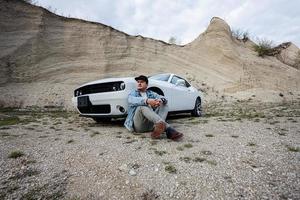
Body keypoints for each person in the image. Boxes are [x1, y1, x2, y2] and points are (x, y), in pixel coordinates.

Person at [124, 75, 183, 141]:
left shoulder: (151, 93)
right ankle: (168, 129)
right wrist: (147, 101)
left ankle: (158, 127)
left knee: (164, 104)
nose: (139, 83)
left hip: (151, 124)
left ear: (147, 84)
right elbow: (131, 100)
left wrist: (160, 101)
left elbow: (163, 98)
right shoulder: (133, 93)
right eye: (138, 82)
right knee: (142, 107)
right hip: (139, 126)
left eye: (142, 82)